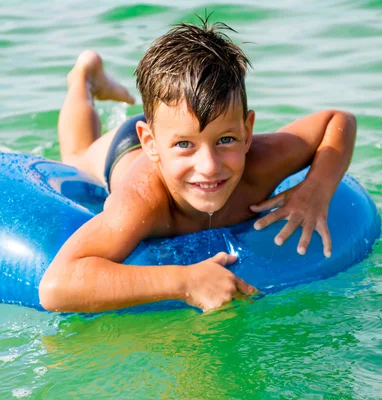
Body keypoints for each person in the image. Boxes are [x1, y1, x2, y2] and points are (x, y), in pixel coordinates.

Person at [39, 20, 357, 313]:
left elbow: (338, 120)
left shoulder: (262, 163)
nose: (208, 167)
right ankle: (84, 78)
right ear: (152, 142)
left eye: (226, 140)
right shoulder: (143, 202)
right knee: (76, 156)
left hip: (173, 126)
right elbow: (56, 286)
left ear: (247, 132)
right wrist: (183, 282)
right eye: (187, 146)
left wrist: (316, 190)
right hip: (125, 153)